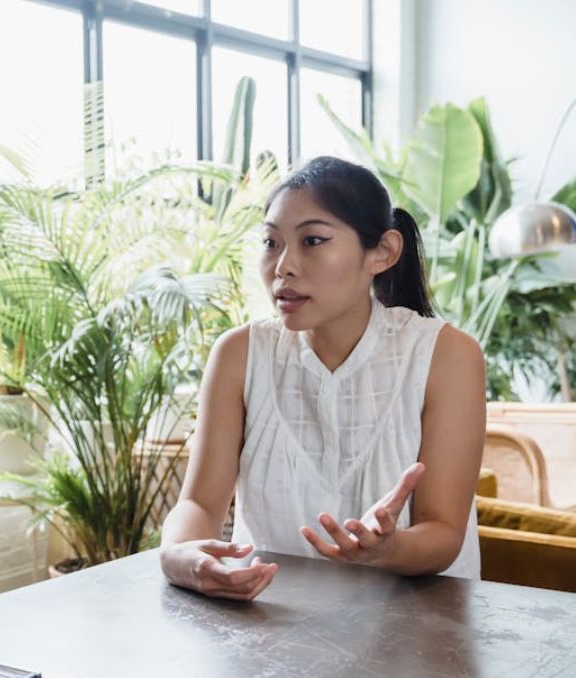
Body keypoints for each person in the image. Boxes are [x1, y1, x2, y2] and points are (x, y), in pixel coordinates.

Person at [160, 156, 486, 601]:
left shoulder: (447, 354)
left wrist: (388, 549)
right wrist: (181, 555)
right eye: (270, 243)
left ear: (383, 252)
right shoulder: (239, 354)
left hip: (417, 640)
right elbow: (198, 503)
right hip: (273, 628)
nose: (283, 266)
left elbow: (444, 533)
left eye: (313, 240)